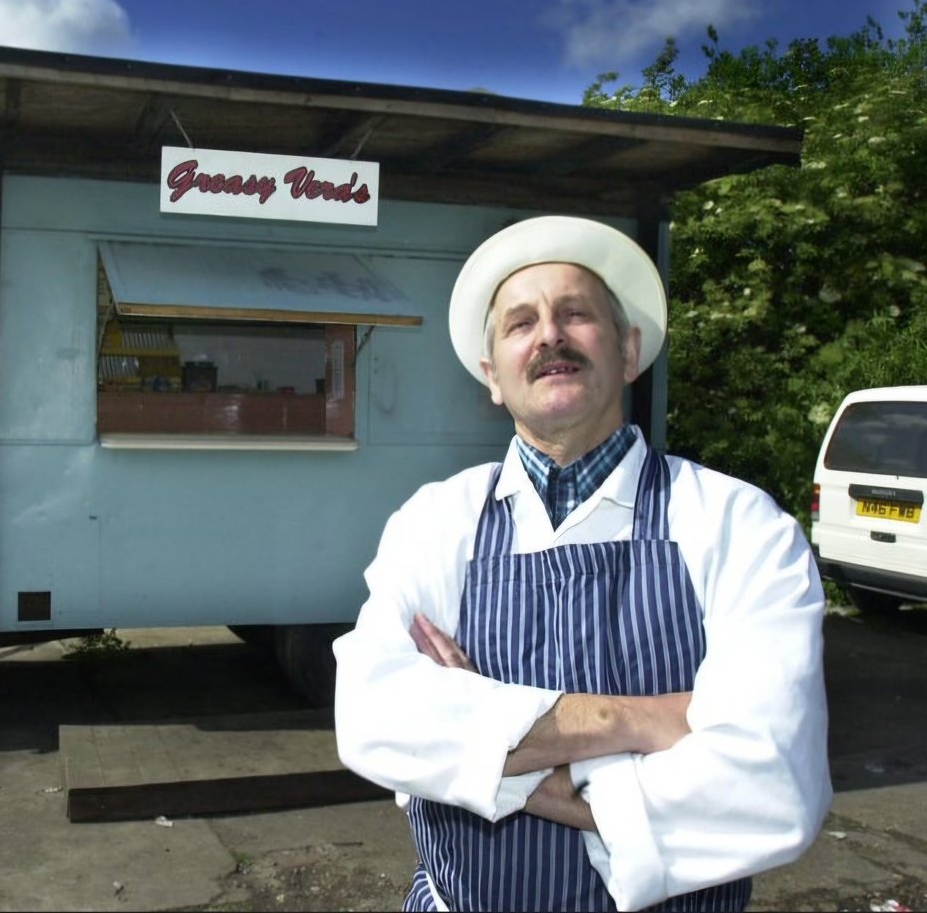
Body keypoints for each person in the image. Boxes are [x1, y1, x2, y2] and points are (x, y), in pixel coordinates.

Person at [333, 215, 832, 912]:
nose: (549, 336)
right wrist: (636, 721)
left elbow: (772, 787)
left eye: (576, 314)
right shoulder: (436, 521)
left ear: (629, 352)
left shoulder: (738, 523)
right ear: (493, 379)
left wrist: (481, 748)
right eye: (520, 323)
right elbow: (375, 719)